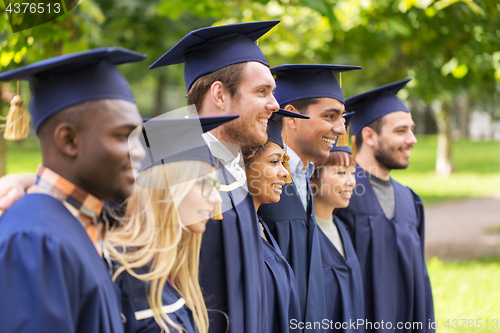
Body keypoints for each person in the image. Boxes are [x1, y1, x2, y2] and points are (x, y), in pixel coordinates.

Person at [0, 48, 147, 333]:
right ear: (68, 140)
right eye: (122, 136)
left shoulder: (85, 221)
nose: (139, 152)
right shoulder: (34, 241)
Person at [150, 21, 281, 333]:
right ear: (220, 95)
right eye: (262, 91)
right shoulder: (168, 170)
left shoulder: (234, 170)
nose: (274, 105)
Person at [108, 115, 235, 333]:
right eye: (203, 184)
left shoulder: (168, 273)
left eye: (215, 185)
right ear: (166, 189)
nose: (217, 199)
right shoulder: (118, 271)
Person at [258, 64, 360, 332]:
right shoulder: (263, 182)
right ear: (291, 116)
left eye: (342, 118)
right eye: (330, 116)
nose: (340, 128)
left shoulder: (305, 176)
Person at [336, 79, 435, 333]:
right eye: (401, 131)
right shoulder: (339, 196)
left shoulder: (409, 200)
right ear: (369, 136)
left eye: (411, 129)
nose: (412, 139)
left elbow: (420, 281)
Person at [241, 111, 306, 333]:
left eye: (284, 162)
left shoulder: (260, 226)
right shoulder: (236, 234)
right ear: (242, 165)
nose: (285, 174)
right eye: (275, 161)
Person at [310, 112, 364, 333]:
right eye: (341, 172)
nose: (351, 182)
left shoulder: (342, 228)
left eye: (352, 172)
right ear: (312, 180)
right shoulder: (306, 235)